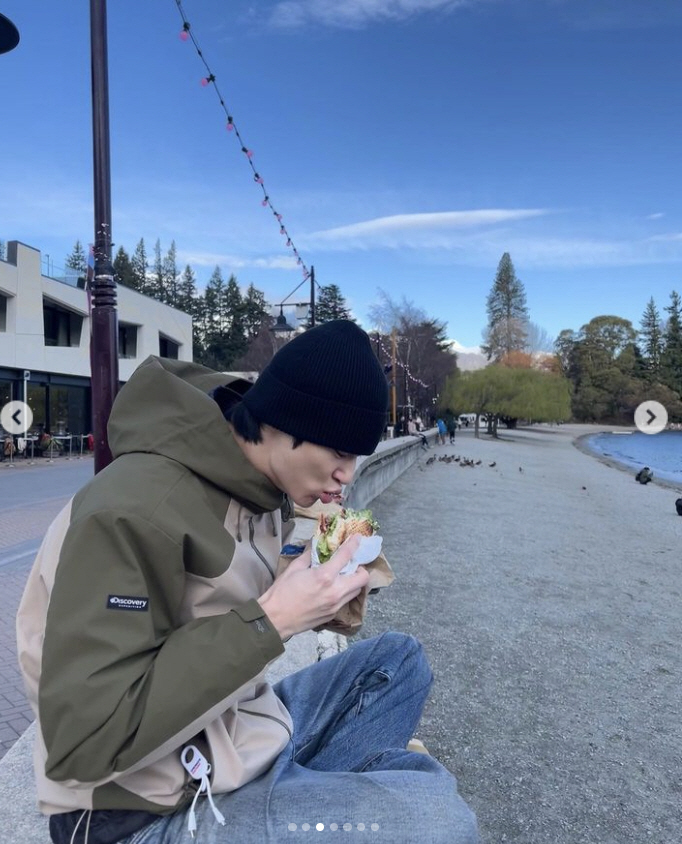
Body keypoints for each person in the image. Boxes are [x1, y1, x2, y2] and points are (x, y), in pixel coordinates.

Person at [17, 321, 478, 844]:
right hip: (139, 812)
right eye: (341, 454)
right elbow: (84, 739)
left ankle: (312, 792)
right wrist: (274, 620)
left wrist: (323, 591)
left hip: (228, 738)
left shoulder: (257, 486)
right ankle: (324, 794)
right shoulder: (134, 511)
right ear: (288, 424)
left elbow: (216, 608)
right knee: (442, 820)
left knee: (400, 663)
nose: (348, 475)